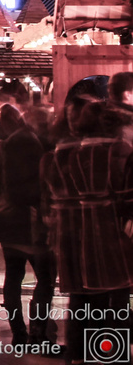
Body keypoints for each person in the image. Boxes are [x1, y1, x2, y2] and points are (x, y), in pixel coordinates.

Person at [43, 97, 133, 363]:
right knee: (114, 301)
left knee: (80, 299)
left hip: (71, 233)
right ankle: (110, 355)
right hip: (108, 232)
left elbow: (51, 195)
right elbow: (127, 197)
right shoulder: (118, 151)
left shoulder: (60, 153)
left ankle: (79, 354)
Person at [0, 103, 55, 346]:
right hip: (28, 221)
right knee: (45, 277)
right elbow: (28, 187)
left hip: (7, 221)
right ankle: (37, 332)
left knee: (14, 276)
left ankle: (18, 333)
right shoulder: (25, 141)